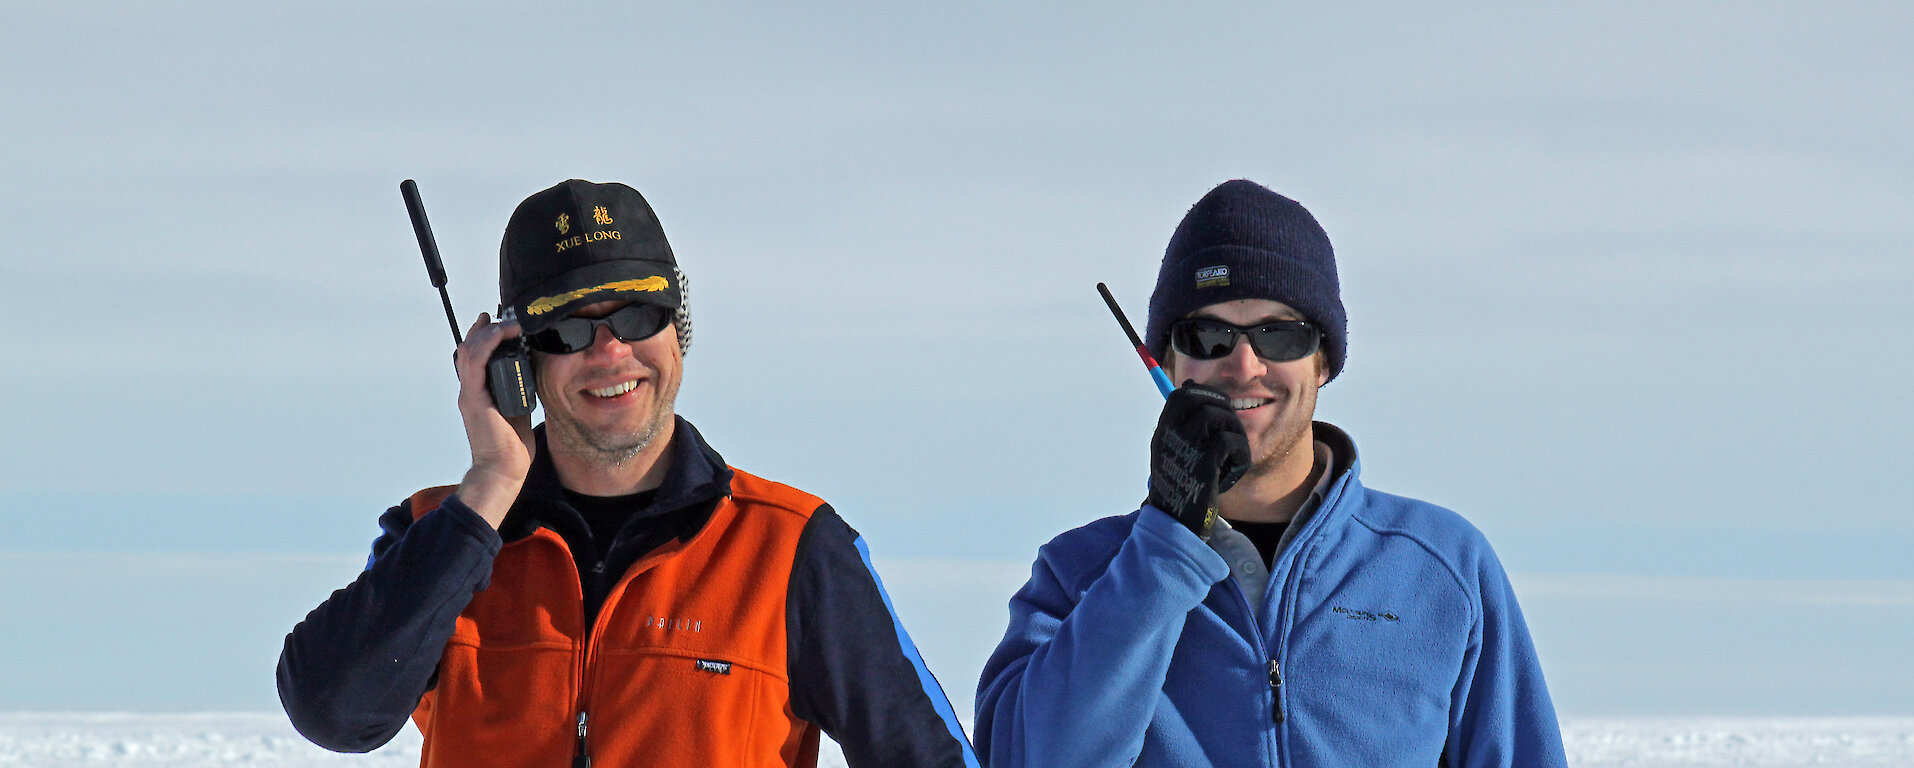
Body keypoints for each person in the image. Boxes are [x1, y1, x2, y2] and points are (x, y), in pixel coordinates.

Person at [278, 180, 979, 768]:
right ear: (514, 363)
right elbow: (335, 714)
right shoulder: (441, 537)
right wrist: (491, 482)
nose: (611, 352)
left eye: (639, 313)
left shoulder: (793, 549)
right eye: (570, 329)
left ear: (680, 328)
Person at [974, 180, 1566, 767]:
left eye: (1279, 334)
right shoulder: (1079, 576)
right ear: (1169, 363)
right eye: (1209, 335)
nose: (1244, 365)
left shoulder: (1443, 566)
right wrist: (1161, 551)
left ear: (1325, 359)